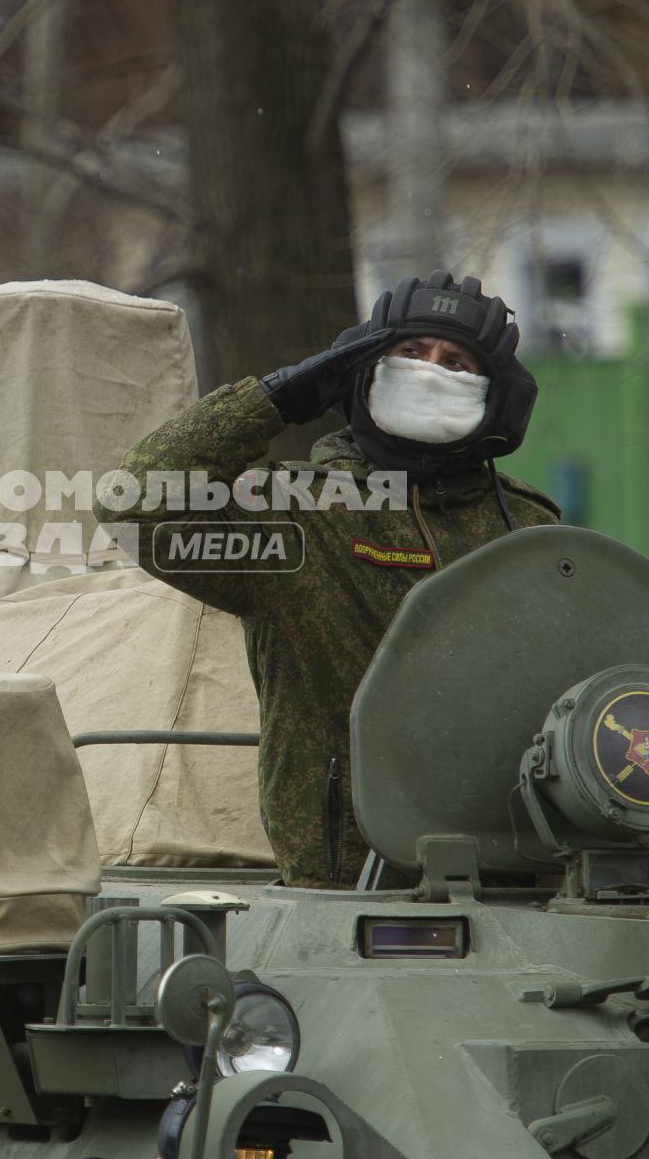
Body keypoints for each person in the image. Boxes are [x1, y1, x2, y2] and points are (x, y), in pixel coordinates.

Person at [94, 270, 558, 887]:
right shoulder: (295, 511)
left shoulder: (527, 525)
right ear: (363, 371)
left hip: (516, 863)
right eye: (411, 354)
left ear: (496, 395)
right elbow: (135, 503)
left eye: (456, 362)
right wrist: (275, 401)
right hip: (346, 873)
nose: (430, 372)